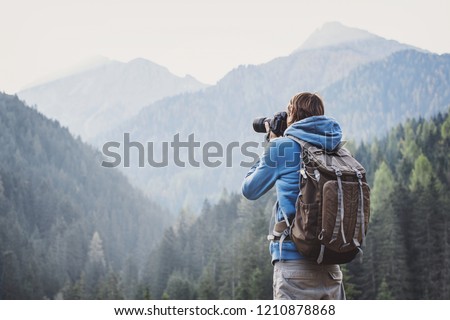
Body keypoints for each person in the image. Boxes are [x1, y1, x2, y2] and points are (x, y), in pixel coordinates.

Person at [241, 92, 346, 300]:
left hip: (294, 265)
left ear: (291, 113)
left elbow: (249, 189)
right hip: (332, 268)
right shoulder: (336, 147)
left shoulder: (283, 147)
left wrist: (271, 144)